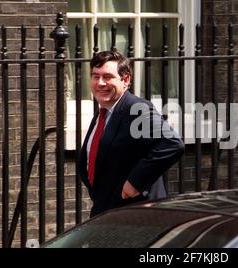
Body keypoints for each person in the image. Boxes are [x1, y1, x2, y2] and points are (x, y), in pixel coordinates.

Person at [78, 50, 184, 217]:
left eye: (107, 77)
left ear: (125, 80)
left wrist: (135, 182)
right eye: (95, 76)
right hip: (107, 210)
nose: (100, 83)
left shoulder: (136, 109)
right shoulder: (103, 113)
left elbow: (172, 143)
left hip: (136, 214)